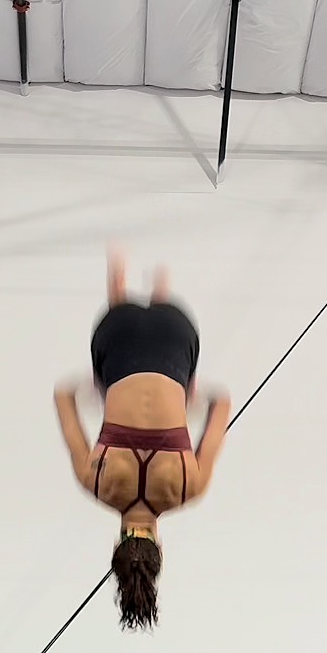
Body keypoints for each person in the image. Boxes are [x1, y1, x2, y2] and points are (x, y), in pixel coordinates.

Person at [53, 252, 232, 630]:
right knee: (113, 364)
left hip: (175, 336)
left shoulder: (190, 488)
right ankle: (118, 290)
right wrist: (98, 388)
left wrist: (191, 397)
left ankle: (161, 290)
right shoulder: (96, 482)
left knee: (179, 371)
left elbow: (223, 404)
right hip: (116, 339)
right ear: (115, 546)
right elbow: (62, 396)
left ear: (161, 548)